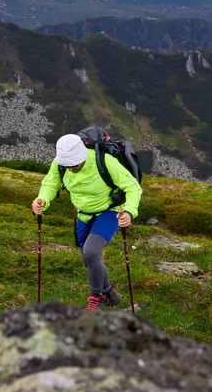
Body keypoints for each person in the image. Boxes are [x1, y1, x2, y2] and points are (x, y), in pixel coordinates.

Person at [32, 133, 142, 310]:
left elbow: (133, 188)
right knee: (89, 258)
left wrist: (129, 211)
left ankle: (96, 297)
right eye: (66, 166)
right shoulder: (61, 165)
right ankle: (109, 294)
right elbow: (50, 184)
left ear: (82, 157)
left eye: (74, 166)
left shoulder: (104, 161)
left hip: (109, 211)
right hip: (83, 214)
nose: (70, 169)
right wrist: (42, 200)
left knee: (91, 252)